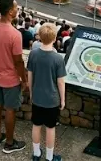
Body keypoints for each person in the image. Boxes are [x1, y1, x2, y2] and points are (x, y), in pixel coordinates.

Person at [0, 0, 27, 153]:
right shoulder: (15, 34)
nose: (17, 10)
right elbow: (18, 62)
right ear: (10, 12)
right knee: (10, 109)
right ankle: (9, 143)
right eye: (16, 8)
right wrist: (24, 79)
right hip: (10, 79)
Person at [27, 23, 66, 161]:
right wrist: (63, 100)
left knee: (36, 126)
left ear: (40, 37)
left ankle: (36, 153)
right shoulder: (58, 59)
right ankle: (49, 157)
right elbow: (61, 82)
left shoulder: (33, 54)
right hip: (52, 99)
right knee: (50, 128)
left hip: (37, 96)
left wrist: (31, 92)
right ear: (55, 39)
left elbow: (30, 76)